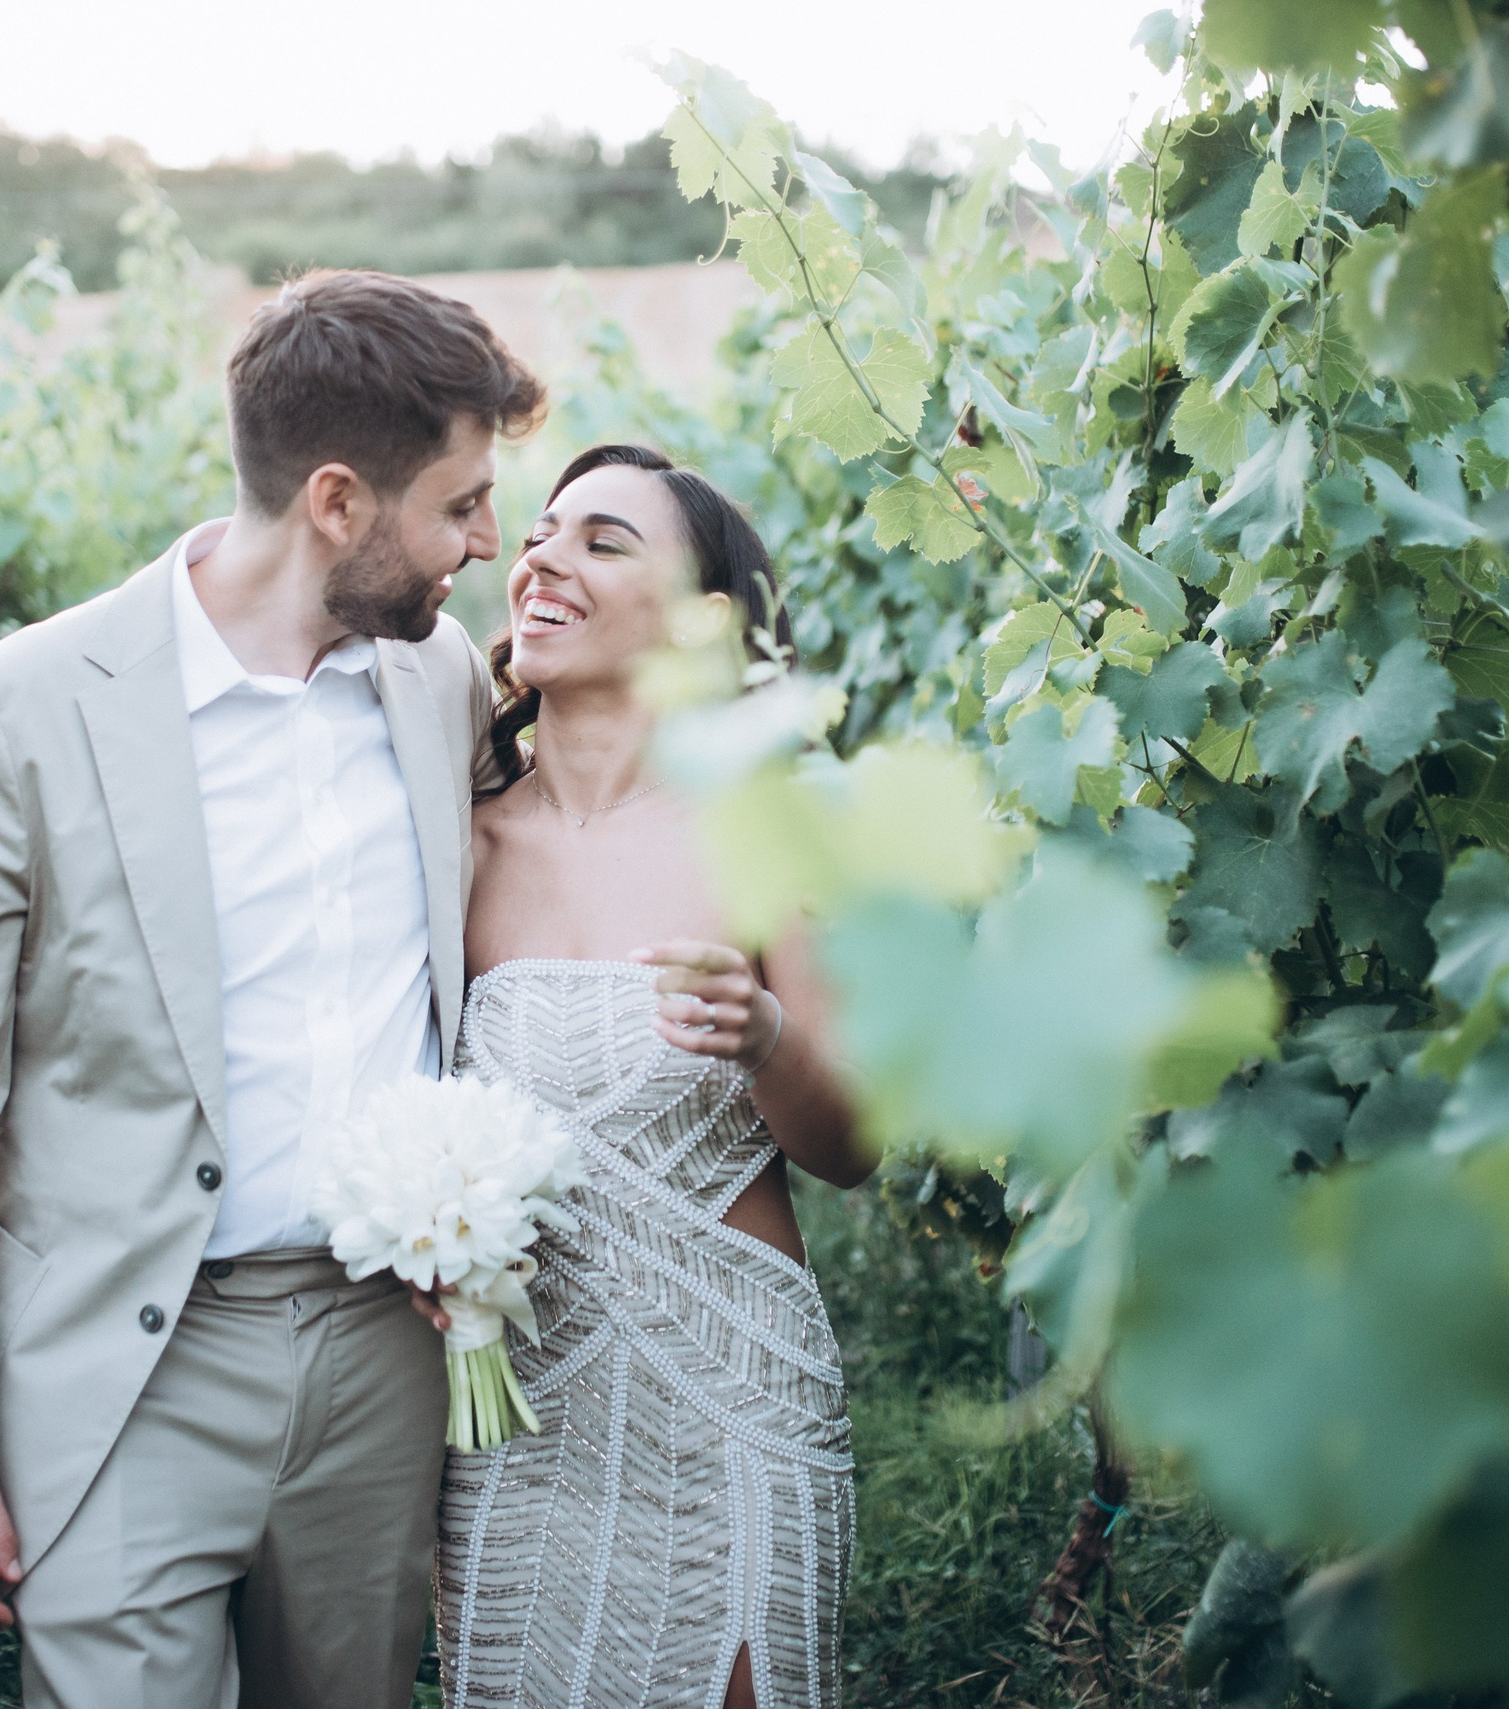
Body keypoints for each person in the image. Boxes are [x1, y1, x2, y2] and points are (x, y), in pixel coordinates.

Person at [0, 270, 543, 1709]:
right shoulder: (20, 710)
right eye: (460, 504)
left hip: (381, 1357)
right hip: (124, 1359)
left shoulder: (441, 677)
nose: (486, 540)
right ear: (338, 503)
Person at [432, 444, 876, 1709]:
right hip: (519, 1418)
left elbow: (853, 1149)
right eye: (541, 533)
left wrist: (768, 1038)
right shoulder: (450, 841)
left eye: (602, 540)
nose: (541, 558)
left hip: (731, 1402)